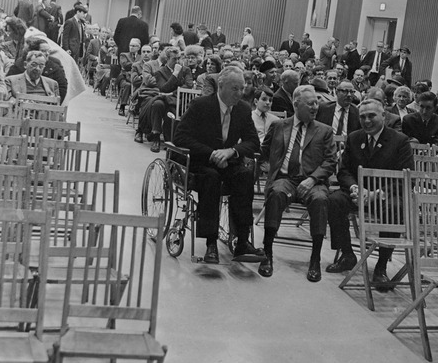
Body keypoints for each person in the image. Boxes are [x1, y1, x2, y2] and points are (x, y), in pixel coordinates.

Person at [174, 67, 264, 265]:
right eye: (235, 89)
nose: (240, 93)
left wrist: (232, 151)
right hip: (201, 162)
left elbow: (253, 142)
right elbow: (179, 136)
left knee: (245, 175)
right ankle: (211, 243)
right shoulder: (200, 105)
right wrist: (211, 153)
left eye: (242, 88)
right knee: (211, 178)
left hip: (229, 161)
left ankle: (242, 240)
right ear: (220, 86)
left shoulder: (242, 109)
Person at [325, 98, 414, 289]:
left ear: (383, 115)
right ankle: (347, 254)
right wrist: (354, 188)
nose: (366, 121)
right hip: (358, 191)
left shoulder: (400, 141)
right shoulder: (354, 137)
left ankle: (381, 266)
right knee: (334, 200)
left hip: (385, 195)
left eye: (371, 116)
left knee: (396, 207)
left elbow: (406, 178)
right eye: (362, 117)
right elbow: (344, 170)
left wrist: (376, 193)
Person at [258, 85, 338, 282]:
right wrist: (265, 167)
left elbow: (330, 161)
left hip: (313, 181)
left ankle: (315, 258)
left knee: (320, 200)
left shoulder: (325, 131)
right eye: (310, 103)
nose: (315, 107)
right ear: (296, 104)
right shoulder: (278, 126)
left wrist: (312, 179)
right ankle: (267, 253)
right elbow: (263, 151)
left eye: (317, 103)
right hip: (285, 179)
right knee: (276, 194)